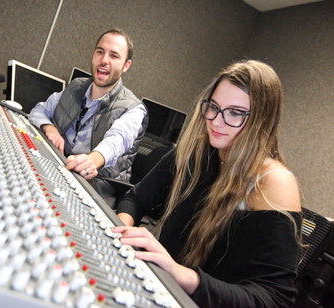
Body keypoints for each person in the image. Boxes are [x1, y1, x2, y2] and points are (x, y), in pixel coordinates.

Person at [115, 60, 302, 307]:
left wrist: (181, 275)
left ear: (262, 120)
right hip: (162, 292)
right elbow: (136, 199)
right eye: (213, 107)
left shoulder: (273, 183)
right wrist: (119, 233)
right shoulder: (194, 153)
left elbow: (274, 299)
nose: (215, 121)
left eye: (235, 112)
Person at [29, 29, 148, 207]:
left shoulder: (135, 109)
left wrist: (93, 160)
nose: (104, 60)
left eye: (114, 56)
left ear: (126, 65)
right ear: (93, 54)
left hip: (95, 191)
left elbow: (117, 140)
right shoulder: (75, 87)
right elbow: (39, 111)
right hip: (57, 169)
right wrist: (49, 127)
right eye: (100, 52)